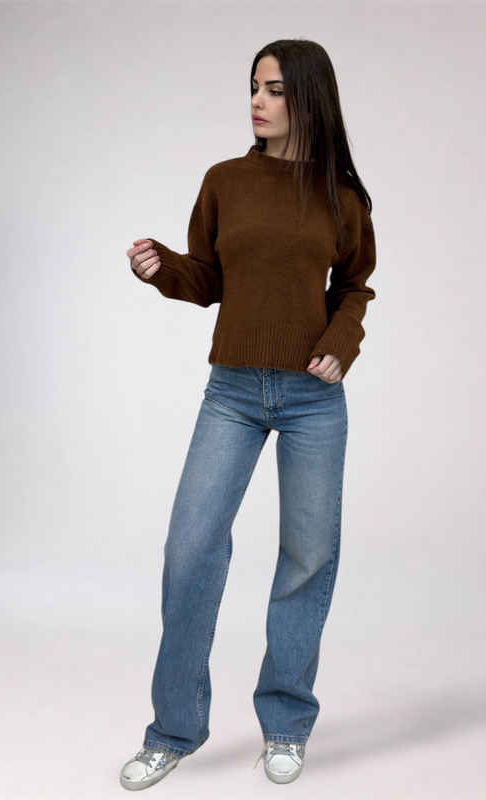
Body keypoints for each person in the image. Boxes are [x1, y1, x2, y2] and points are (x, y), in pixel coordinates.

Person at [120, 38, 376, 791]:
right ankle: (173, 730)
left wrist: (340, 341)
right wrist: (162, 266)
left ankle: (286, 724)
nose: (256, 101)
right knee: (190, 549)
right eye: (252, 88)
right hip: (231, 391)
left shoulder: (341, 195)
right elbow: (208, 279)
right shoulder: (225, 179)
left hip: (311, 398)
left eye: (271, 89)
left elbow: (354, 286)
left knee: (306, 560)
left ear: (307, 98)